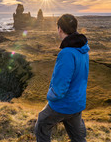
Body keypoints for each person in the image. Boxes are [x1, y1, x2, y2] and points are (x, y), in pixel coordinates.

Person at [34, 14, 90, 142]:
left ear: (60, 29)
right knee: (78, 137)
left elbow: (60, 87)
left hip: (63, 104)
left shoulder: (67, 53)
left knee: (42, 124)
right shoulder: (83, 50)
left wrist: (50, 95)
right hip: (77, 103)